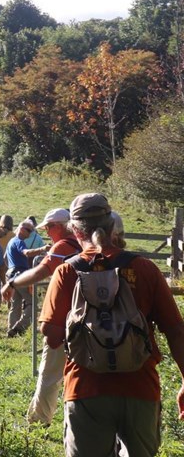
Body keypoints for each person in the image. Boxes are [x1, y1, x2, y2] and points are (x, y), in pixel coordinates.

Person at [39, 193, 184, 457]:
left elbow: (52, 336)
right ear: (111, 226)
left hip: (85, 388)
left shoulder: (67, 271)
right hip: (140, 387)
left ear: (74, 229)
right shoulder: (145, 269)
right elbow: (176, 331)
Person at [0, 207, 81, 425]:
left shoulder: (63, 246)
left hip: (62, 320)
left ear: (59, 227)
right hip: (85, 318)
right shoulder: (85, 245)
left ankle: (39, 420)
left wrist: (11, 283)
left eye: (48, 228)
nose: (47, 233)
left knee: (49, 374)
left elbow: (40, 272)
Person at [3, 220, 50, 337]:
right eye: (29, 230)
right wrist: (42, 249)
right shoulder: (19, 242)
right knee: (33, 304)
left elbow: (4, 258)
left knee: (15, 305)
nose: (30, 233)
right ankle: (19, 327)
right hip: (19, 275)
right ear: (22, 229)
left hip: (11, 274)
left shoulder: (11, 242)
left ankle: (11, 331)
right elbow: (27, 253)